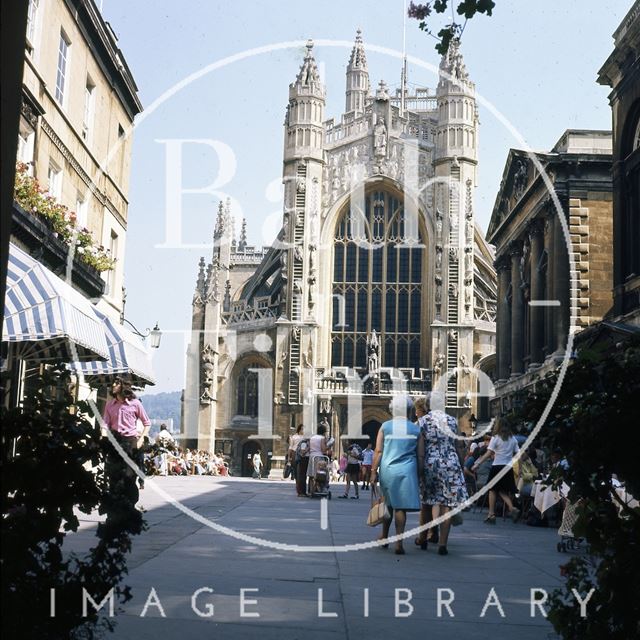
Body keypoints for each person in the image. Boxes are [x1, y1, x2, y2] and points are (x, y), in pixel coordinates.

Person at [415, 395, 468, 555]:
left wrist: (420, 469)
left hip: (431, 464)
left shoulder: (422, 422)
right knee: (447, 505)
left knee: (427, 503)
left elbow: (421, 450)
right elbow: (459, 446)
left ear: (428, 405)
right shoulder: (452, 421)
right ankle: (442, 544)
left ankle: (423, 538)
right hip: (451, 463)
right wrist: (460, 464)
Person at [370, 395, 423, 555]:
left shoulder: (385, 426)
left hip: (388, 469)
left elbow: (378, 451)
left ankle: (385, 537)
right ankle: (399, 542)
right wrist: (420, 474)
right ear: (409, 410)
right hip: (408, 470)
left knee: (388, 504)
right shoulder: (416, 429)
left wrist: (373, 471)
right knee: (401, 508)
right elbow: (420, 455)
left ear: (393, 409)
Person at [102, 377, 151, 504]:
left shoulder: (135, 403)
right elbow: (105, 425)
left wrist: (140, 440)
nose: (113, 384)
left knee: (129, 476)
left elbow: (147, 423)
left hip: (130, 443)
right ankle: (115, 506)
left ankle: (130, 505)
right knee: (113, 475)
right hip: (115, 442)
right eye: (113, 382)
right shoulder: (109, 405)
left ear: (123, 386)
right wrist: (103, 437)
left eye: (117, 383)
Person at [472, 418, 521, 523]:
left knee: (492, 490)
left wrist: (477, 463)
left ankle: (491, 514)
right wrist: (520, 469)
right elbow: (518, 455)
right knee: (502, 491)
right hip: (508, 467)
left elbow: (488, 453)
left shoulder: (495, 438)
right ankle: (511, 508)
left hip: (497, 466)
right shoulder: (513, 439)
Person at [307, 423, 331, 494]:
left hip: (311, 457)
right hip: (319, 457)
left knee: (311, 474)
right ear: (324, 432)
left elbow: (309, 447)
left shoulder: (312, 438)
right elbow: (323, 450)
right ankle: (321, 488)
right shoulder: (322, 438)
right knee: (321, 474)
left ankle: (311, 489)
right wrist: (329, 446)